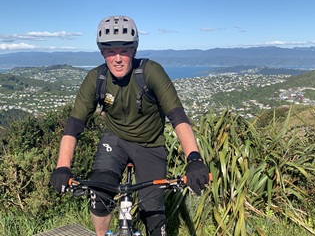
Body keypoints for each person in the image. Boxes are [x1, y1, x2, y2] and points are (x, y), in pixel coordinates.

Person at [50, 15, 209, 236]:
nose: (117, 58)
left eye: (124, 51)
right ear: (102, 53)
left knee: (153, 211)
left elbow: (177, 116)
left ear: (133, 51)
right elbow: (74, 125)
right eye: (110, 51)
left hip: (150, 144)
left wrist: (194, 159)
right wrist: (62, 167)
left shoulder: (150, 72)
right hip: (115, 139)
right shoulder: (97, 79)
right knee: (100, 193)